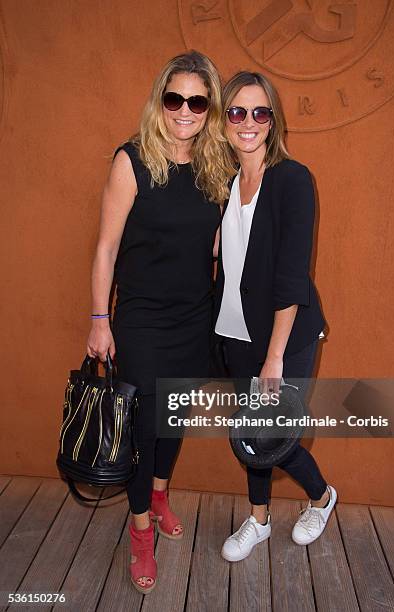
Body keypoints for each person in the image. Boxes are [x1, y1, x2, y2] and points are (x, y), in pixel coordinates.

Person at [86, 50, 230, 593]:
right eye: (175, 99)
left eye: (198, 100)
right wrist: (101, 318)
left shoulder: (215, 165)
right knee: (145, 425)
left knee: (174, 417)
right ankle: (140, 530)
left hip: (195, 317)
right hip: (142, 320)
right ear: (160, 102)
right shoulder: (133, 160)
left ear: (209, 106)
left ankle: (161, 491)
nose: (186, 111)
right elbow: (105, 247)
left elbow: (216, 244)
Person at [213, 71, 337, 562]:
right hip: (237, 329)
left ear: (273, 121)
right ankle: (260, 520)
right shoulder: (224, 182)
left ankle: (322, 498)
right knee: (251, 434)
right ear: (224, 120)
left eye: (259, 112)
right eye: (236, 112)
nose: (248, 122)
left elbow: (290, 276)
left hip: (287, 333)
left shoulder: (292, 179)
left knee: (272, 434)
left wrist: (275, 358)